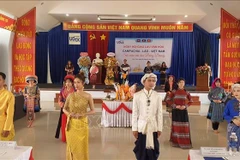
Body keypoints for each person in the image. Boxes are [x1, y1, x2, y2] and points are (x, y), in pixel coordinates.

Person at [63, 72, 95, 160]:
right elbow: (64, 109)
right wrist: (69, 114)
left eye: (78, 82)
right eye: (75, 82)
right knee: (71, 147)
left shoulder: (88, 96)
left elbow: (93, 111)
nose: (76, 85)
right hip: (71, 125)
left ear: (83, 83)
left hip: (82, 124)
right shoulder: (70, 96)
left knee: (82, 148)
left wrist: (84, 114)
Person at [132, 73, 163, 160]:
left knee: (153, 151)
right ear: (144, 82)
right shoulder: (137, 95)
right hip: (142, 127)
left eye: (153, 81)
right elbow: (135, 113)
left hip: (153, 127)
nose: (151, 83)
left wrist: (159, 128)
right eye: (149, 80)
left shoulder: (157, 96)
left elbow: (159, 113)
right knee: (141, 151)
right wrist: (134, 128)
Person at [166, 78, 193, 149]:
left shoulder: (186, 92)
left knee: (184, 126)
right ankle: (176, 141)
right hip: (176, 111)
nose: (181, 84)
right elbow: (168, 100)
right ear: (177, 84)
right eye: (180, 82)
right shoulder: (174, 92)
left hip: (183, 111)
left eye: (183, 82)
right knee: (176, 127)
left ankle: (184, 141)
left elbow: (191, 101)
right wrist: (175, 106)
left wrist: (185, 106)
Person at [55, 74, 75, 142]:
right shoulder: (62, 90)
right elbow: (60, 99)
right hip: (64, 108)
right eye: (66, 82)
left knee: (72, 123)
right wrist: (62, 105)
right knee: (64, 123)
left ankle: (72, 137)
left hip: (72, 109)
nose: (68, 83)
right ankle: (65, 137)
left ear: (72, 83)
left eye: (69, 82)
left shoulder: (74, 90)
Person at [223, 83, 240, 148]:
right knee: (232, 145)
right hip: (233, 127)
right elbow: (225, 114)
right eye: (234, 91)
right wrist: (233, 120)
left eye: (238, 91)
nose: (236, 93)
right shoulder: (230, 102)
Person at [0, 72, 15, 141]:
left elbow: (10, 114)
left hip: (2, 126)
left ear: (3, 81)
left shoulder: (8, 95)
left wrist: (7, 128)